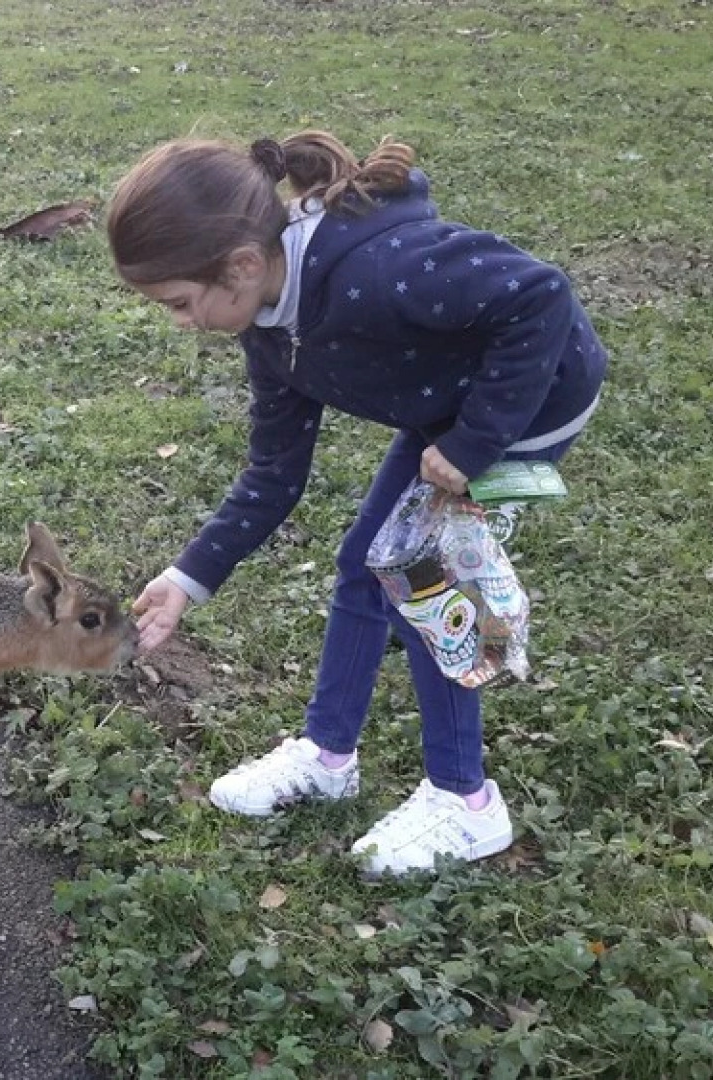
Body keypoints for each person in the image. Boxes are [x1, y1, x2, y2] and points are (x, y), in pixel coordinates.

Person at [107, 130, 606, 874]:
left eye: (180, 302)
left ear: (242, 265)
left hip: (528, 402)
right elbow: (274, 474)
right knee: (364, 565)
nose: (179, 322)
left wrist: (473, 446)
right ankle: (328, 754)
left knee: (426, 578)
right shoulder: (270, 324)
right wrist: (186, 580)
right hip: (449, 410)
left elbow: (540, 297)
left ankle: (465, 803)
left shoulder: (381, 270)